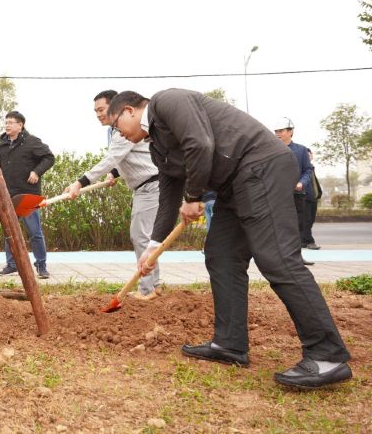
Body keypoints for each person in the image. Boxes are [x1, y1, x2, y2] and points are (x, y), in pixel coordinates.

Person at [107, 88, 351, 389]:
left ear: (129, 111)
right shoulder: (157, 144)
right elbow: (169, 192)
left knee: (276, 258)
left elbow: (200, 143)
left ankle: (327, 355)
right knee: (221, 255)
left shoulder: (166, 101)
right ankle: (230, 343)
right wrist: (153, 246)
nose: (117, 133)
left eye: (115, 125)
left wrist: (194, 197)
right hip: (235, 185)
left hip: (261, 167)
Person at [63, 90, 161, 299]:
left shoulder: (121, 132)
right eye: (95, 111)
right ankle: (155, 285)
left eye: (102, 109)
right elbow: (126, 157)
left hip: (150, 185)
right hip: (147, 185)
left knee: (140, 236)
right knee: (146, 237)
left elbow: (110, 159)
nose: (98, 114)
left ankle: (148, 290)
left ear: (116, 107)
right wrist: (115, 173)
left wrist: (80, 182)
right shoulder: (116, 132)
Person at [0, 111, 55, 279]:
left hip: (29, 195)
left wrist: (36, 172)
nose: (7, 125)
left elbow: (49, 158)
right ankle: (12, 264)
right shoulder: (2, 146)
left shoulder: (32, 142)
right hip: (9, 195)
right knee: (10, 232)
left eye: (11, 122)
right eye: (6, 122)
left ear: (20, 125)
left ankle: (41, 266)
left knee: (35, 232)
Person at [273, 117, 315, 265]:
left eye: (281, 131)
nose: (278, 134)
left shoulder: (301, 150)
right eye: (276, 131)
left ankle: (297, 258)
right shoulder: (270, 149)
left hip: (297, 194)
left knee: (297, 226)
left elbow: (308, 170)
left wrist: (301, 183)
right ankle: (278, 258)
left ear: (290, 132)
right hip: (276, 195)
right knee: (278, 226)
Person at [303, 148, 322, 250]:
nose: (309, 156)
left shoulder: (311, 167)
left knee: (311, 221)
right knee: (307, 220)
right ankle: (310, 242)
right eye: (307, 154)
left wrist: (318, 193)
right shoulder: (303, 168)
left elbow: (314, 183)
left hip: (313, 197)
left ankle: (303, 241)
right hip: (305, 197)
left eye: (310, 154)